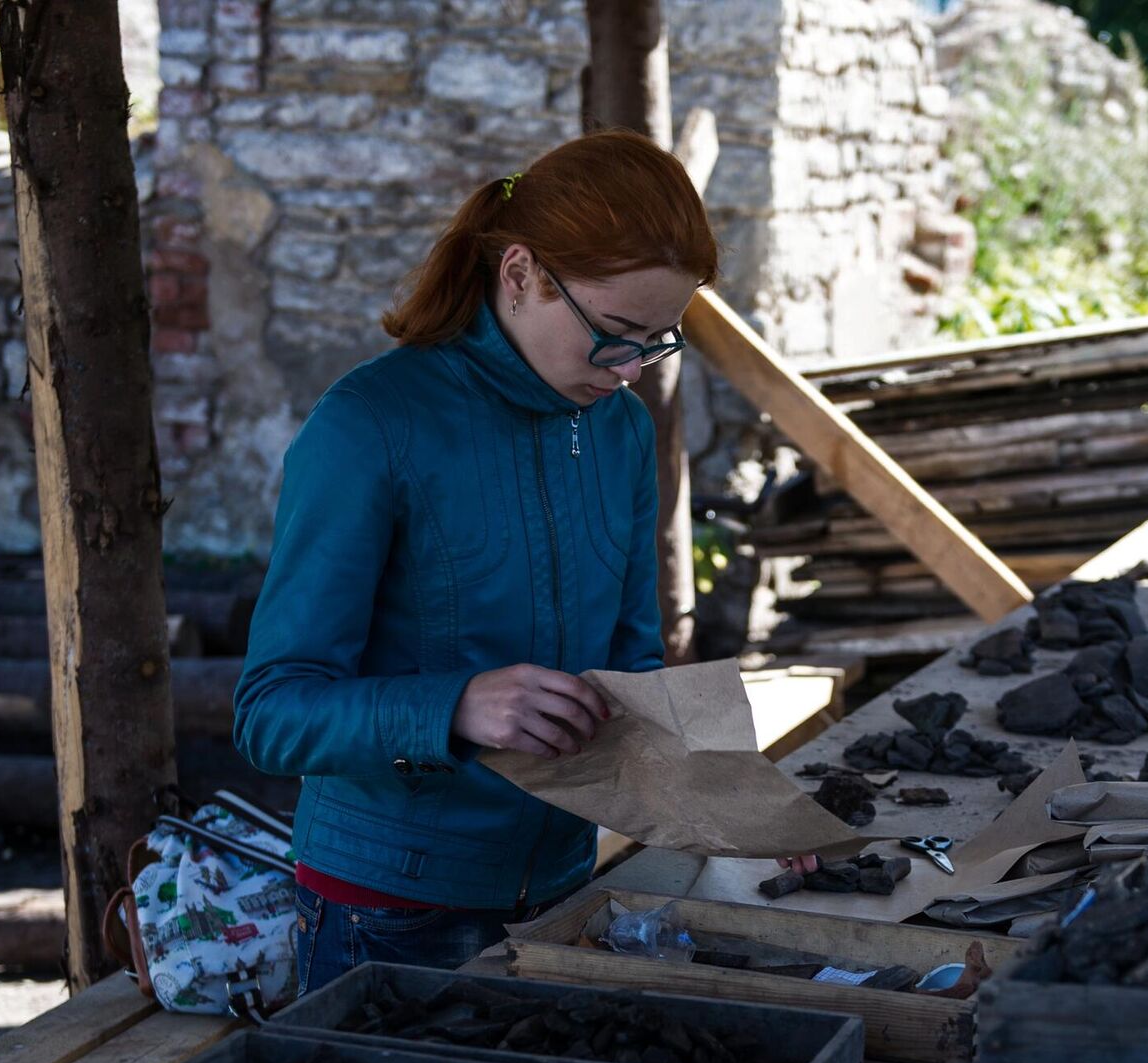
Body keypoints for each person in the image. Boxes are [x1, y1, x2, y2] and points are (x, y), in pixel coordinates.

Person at [232, 131, 817, 999]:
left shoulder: (621, 432)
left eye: (660, 341)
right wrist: (457, 707)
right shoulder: (371, 423)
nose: (631, 372)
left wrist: (730, 805)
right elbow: (270, 715)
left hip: (562, 893)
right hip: (386, 912)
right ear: (519, 275)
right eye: (616, 334)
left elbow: (632, 678)